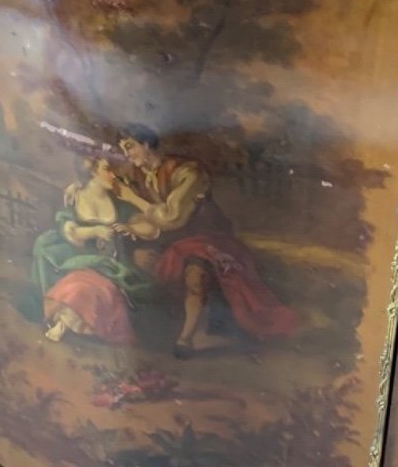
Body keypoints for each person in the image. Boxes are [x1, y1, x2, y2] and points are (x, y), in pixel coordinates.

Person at [112, 125, 298, 358]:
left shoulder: (188, 172)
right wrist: (134, 227)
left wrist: (132, 198)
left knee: (195, 273)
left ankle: (186, 339)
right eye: (123, 149)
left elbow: (172, 216)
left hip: (208, 236)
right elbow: (149, 219)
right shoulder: (141, 176)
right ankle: (164, 328)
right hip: (173, 239)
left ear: (146, 144)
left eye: (130, 147)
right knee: (140, 259)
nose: (127, 154)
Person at [32, 156, 149, 345]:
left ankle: (65, 324)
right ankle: (63, 324)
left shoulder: (119, 202)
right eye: (107, 170)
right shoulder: (76, 197)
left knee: (99, 292)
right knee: (78, 286)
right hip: (80, 260)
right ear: (92, 172)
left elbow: (150, 226)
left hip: (112, 265)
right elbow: (70, 231)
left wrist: (132, 227)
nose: (113, 175)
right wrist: (94, 231)